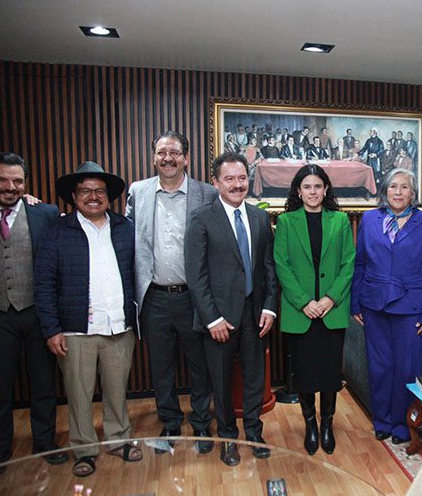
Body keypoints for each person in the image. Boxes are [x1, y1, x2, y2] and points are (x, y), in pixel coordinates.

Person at [34, 161, 141, 477]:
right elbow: (43, 284)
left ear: (109, 196)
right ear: (74, 195)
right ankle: (84, 449)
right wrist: (51, 329)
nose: (93, 196)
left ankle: (118, 439)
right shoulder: (57, 232)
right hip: (75, 330)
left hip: (119, 326)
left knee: (117, 390)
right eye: (85, 191)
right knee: (79, 395)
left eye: (99, 191)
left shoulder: (125, 228)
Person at [125, 131, 217, 455]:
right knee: (161, 365)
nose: (168, 158)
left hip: (194, 297)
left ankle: (202, 421)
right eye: (162, 152)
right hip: (155, 297)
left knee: (199, 364)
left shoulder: (206, 194)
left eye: (175, 153)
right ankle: (170, 421)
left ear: (186, 158)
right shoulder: (138, 192)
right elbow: (125, 233)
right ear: (154, 157)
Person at [184, 152, 278, 467]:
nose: (237, 185)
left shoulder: (260, 218)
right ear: (216, 182)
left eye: (241, 178)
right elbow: (196, 276)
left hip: (255, 314)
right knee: (221, 383)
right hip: (219, 319)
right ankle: (227, 437)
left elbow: (268, 268)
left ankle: (253, 434)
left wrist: (269, 308)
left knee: (254, 379)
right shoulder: (201, 218)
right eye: (229, 179)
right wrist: (212, 319)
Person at [0, 153, 67, 478]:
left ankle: (44, 442)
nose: (10, 187)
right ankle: (0, 450)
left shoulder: (44, 214)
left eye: (17, 181)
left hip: (37, 312)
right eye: (2, 180)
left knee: (43, 382)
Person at [351, 169, 422, 444]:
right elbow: (360, 263)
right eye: (393, 186)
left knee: (407, 369)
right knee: (379, 368)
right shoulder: (370, 219)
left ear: (413, 193)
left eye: (404, 187)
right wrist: (355, 303)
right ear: (385, 191)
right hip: (373, 306)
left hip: (411, 309)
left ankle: (402, 424)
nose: (398, 192)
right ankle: (382, 421)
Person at [274, 165, 354, 455]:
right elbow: (281, 265)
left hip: (331, 312)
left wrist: (331, 298)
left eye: (317, 186)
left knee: (330, 375)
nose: (312, 192)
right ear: (298, 191)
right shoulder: (286, 221)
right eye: (307, 187)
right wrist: (304, 302)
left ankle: (327, 425)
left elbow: (348, 263)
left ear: (326, 189)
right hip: (302, 313)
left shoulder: (340, 220)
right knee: (305, 375)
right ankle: (310, 425)